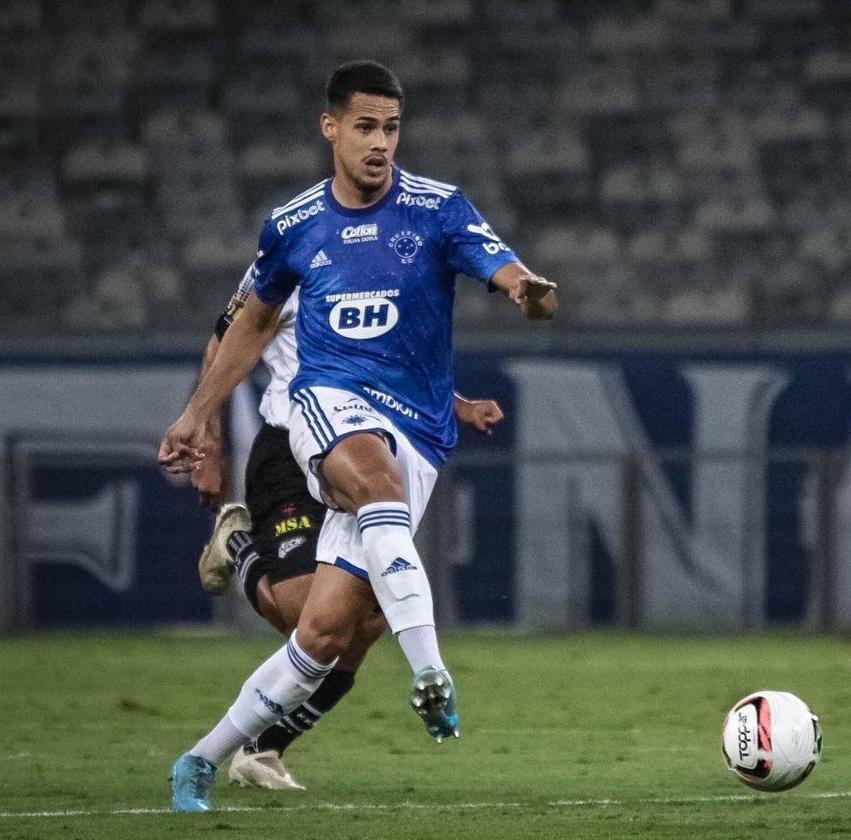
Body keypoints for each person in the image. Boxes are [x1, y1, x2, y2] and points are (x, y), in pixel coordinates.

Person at [159, 60, 557, 812]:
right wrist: (195, 416)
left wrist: (525, 293)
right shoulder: (293, 224)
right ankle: (431, 672)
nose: (380, 142)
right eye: (366, 127)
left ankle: (203, 759)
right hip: (320, 405)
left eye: (392, 128)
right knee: (375, 486)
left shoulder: (437, 209)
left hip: (416, 428)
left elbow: (503, 267)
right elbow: (246, 325)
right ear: (331, 127)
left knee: (323, 633)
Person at [188, 265, 505, 791]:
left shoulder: (380, 265)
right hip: (289, 451)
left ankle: (264, 747)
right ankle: (236, 541)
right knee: (302, 617)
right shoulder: (284, 259)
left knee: (363, 621)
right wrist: (206, 438)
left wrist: (461, 407)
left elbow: (385, 367)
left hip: (357, 445)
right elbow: (222, 344)